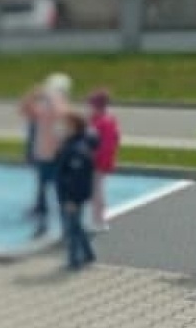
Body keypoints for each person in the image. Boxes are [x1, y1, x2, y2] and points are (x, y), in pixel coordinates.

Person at [19, 72, 72, 237]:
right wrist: (34, 95)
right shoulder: (47, 107)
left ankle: (59, 223)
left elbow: (60, 117)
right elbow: (25, 110)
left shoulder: (57, 107)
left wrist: (42, 94)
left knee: (56, 189)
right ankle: (44, 222)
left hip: (53, 155)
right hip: (46, 155)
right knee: (46, 189)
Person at [54, 111, 98, 270]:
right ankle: (88, 254)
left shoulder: (77, 150)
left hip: (72, 197)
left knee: (72, 228)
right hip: (68, 195)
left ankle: (74, 261)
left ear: (74, 127)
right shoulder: (71, 144)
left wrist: (71, 199)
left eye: (65, 126)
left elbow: (77, 179)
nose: (61, 128)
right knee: (77, 226)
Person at [87, 89, 122, 232]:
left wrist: (94, 158)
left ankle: (99, 221)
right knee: (95, 190)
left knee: (97, 191)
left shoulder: (105, 121)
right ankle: (95, 218)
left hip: (99, 162)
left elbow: (107, 145)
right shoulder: (98, 119)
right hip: (96, 161)